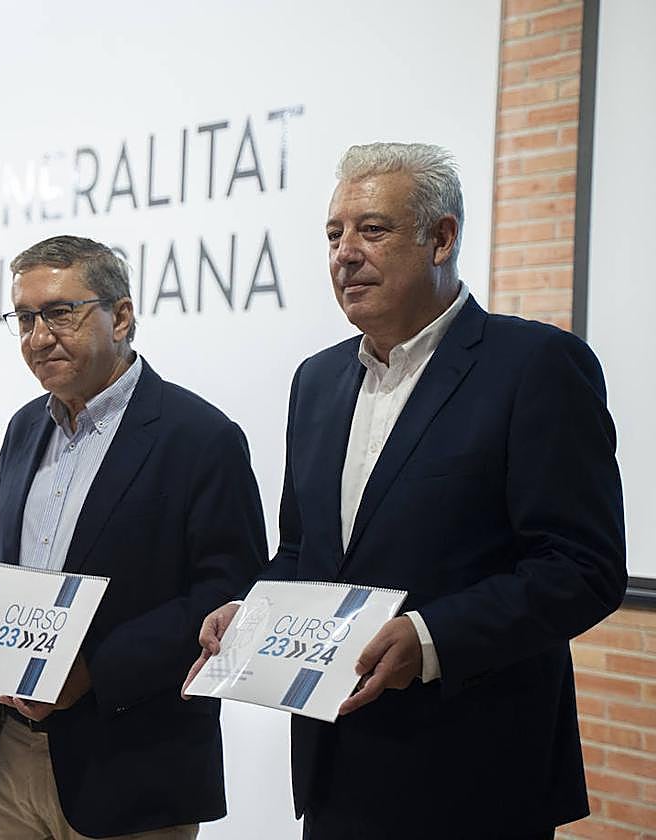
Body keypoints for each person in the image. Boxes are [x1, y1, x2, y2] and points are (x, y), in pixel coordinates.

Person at [187, 143, 627, 839]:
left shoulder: (535, 367)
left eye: (373, 229)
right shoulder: (316, 382)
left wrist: (429, 638)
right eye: (334, 234)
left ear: (441, 238)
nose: (345, 253)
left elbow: (583, 567)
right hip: (336, 768)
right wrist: (252, 609)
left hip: (475, 776)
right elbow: (303, 549)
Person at [0, 235, 267, 839]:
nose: (38, 336)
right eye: (25, 318)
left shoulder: (201, 437)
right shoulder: (25, 427)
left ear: (122, 316)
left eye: (60, 312)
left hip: (132, 765)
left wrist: (93, 673)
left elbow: (228, 596)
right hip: (12, 753)